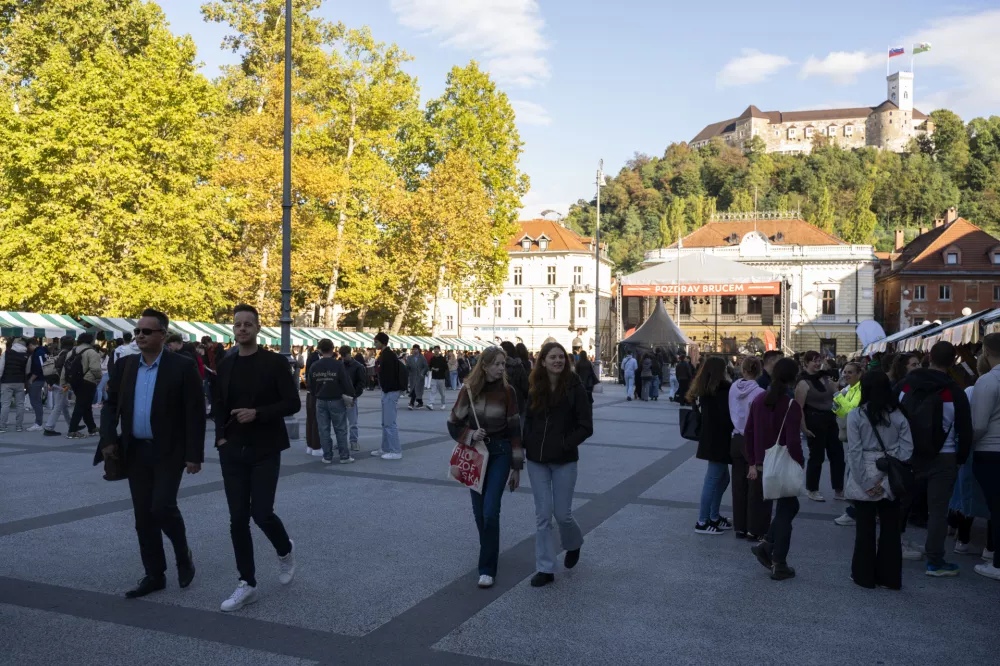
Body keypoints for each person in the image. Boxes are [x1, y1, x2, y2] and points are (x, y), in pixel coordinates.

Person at [97, 308, 204, 599]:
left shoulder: (182, 366)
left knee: (162, 507)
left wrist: (194, 455)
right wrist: (108, 439)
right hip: (135, 451)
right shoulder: (126, 365)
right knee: (143, 516)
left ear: (163, 335)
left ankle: (183, 555)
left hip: (169, 451)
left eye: (146, 331)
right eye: (137, 331)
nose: (140, 336)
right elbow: (110, 405)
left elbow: (194, 413)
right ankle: (154, 575)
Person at [213, 304, 300, 611]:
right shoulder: (226, 363)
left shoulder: (274, 362)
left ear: (258, 328)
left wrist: (258, 413)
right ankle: (246, 583)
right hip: (232, 449)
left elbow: (292, 403)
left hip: (265, 447)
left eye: (248, 324)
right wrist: (220, 438)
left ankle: (285, 549)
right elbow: (218, 404)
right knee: (237, 518)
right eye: (237, 324)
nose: (242, 328)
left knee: (261, 513)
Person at [446, 346, 523, 589]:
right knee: (479, 512)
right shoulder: (469, 390)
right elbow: (453, 423)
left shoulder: (508, 392)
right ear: (485, 366)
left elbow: (515, 430)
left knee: (490, 510)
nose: (501, 368)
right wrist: (470, 434)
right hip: (476, 455)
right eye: (497, 364)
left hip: (500, 453)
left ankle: (487, 568)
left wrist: (517, 467)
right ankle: (488, 547)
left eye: (503, 364)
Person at [896, 341, 973, 576]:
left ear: (928, 356)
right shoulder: (955, 391)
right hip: (944, 456)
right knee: (937, 512)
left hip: (908, 454)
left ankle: (892, 545)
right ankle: (935, 561)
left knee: (900, 502)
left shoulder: (906, 384)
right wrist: (960, 458)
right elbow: (965, 429)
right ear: (953, 362)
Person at [523, 341, 592, 587]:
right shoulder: (535, 386)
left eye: (561, 357)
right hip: (537, 460)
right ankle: (545, 568)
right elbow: (528, 419)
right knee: (543, 515)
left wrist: (565, 443)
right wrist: (527, 442)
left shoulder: (575, 387)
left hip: (564, 460)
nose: (558, 361)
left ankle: (573, 543)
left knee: (562, 514)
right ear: (542, 361)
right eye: (552, 357)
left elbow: (586, 426)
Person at [845, 371, 913, 589]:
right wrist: (886, 478)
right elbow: (907, 449)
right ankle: (889, 577)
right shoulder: (898, 414)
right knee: (891, 528)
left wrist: (866, 483)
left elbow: (854, 452)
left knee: (864, 528)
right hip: (891, 470)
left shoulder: (856, 415)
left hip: (864, 467)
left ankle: (863, 576)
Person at [744, 358, 804, 581]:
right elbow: (793, 441)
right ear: (793, 378)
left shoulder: (759, 399)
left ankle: (767, 545)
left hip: (763, 463)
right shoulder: (790, 405)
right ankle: (779, 562)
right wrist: (800, 463)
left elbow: (748, 432)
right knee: (786, 511)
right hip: (783, 463)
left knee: (788, 508)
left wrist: (753, 461)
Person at [688, 356, 734, 534]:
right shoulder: (722, 389)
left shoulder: (704, 388)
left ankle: (713, 516)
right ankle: (702, 521)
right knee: (713, 480)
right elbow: (727, 417)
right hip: (718, 440)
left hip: (710, 439)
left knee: (722, 479)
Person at [795, 350, 844, 502]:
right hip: (814, 421)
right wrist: (803, 428)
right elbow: (799, 408)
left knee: (837, 455)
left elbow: (836, 394)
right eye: (814, 361)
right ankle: (812, 489)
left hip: (831, 420)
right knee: (817, 457)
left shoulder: (826, 377)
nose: (817, 364)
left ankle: (839, 489)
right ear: (806, 363)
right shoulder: (803, 383)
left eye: (819, 360)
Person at [971, 333, 1000, 580]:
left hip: (991, 450)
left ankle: (997, 562)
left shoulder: (988, 381)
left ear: (987, 352)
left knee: (996, 507)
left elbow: (978, 424)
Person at [729, 357, 765, 539]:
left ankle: (739, 527)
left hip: (736, 437)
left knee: (738, 485)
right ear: (759, 371)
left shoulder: (733, 388)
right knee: (755, 486)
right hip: (752, 439)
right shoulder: (760, 393)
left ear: (742, 370)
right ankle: (753, 528)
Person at [307, 339, 356, 464]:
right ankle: (344, 456)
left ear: (320, 350)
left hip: (320, 400)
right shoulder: (338, 365)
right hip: (336, 400)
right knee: (340, 429)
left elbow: (310, 385)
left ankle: (327, 456)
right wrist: (351, 395)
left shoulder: (315, 365)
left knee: (323, 430)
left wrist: (317, 393)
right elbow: (346, 382)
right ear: (332, 349)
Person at [832, 361, 864, 526]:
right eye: (845, 371)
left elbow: (852, 410)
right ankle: (856, 510)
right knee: (852, 471)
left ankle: (853, 512)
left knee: (854, 472)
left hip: (858, 438)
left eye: (850, 372)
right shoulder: (848, 389)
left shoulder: (860, 389)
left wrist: (838, 397)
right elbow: (841, 411)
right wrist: (837, 404)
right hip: (849, 435)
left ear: (859, 374)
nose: (846, 375)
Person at [64, 333, 103, 439]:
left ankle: (92, 427)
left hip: (75, 381)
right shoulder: (92, 352)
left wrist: (64, 381)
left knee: (85, 405)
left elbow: (65, 368)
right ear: (91, 341)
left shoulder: (71, 352)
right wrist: (99, 378)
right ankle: (72, 430)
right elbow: (95, 368)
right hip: (88, 381)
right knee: (81, 405)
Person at [373, 332, 404, 460]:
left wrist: (386, 388)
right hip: (388, 391)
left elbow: (388, 375)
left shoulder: (388, 356)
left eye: (376, 342)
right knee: (385, 422)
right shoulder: (386, 354)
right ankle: (385, 448)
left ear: (382, 342)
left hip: (390, 391)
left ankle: (396, 451)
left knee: (389, 423)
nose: (374, 344)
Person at [43, 337, 75, 436]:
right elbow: (63, 368)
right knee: (58, 406)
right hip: (61, 383)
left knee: (64, 405)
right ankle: (49, 427)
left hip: (56, 381)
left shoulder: (59, 352)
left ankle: (72, 425)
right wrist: (66, 381)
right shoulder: (67, 354)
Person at [0, 337, 30, 432]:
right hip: (20, 382)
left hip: (6, 382)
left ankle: (2, 426)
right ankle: (19, 426)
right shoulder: (26, 355)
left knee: (5, 404)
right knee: (20, 404)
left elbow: (1, 367)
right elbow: (27, 371)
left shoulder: (7, 353)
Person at [340, 345, 366, 452]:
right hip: (340, 396)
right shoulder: (340, 364)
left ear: (349, 354)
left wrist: (354, 395)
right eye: (341, 356)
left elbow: (361, 383)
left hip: (351, 396)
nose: (342, 358)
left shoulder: (358, 366)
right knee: (340, 422)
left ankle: (353, 441)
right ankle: (341, 441)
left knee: (353, 422)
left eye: (344, 356)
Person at [23, 338, 46, 431]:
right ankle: (38, 422)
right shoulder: (43, 351)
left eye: (29, 347)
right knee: (37, 401)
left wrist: (31, 379)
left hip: (37, 379)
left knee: (35, 401)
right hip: (40, 379)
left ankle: (38, 423)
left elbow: (40, 366)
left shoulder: (38, 352)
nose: (28, 349)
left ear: (31, 345)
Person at [500, 341, 529, 415]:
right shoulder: (519, 366)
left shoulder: (498, 365)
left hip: (500, 402)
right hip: (518, 402)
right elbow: (525, 386)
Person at [406, 345, 428, 410]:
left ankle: (411, 403)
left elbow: (426, 366)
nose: (415, 350)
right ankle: (420, 402)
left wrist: (422, 373)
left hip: (420, 376)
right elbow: (407, 366)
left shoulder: (422, 357)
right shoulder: (409, 357)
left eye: (416, 349)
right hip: (412, 376)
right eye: (414, 349)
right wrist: (408, 367)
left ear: (418, 350)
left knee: (416, 389)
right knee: (415, 389)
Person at [427, 346, 449, 410]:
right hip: (434, 377)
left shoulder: (442, 358)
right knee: (433, 391)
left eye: (437, 349)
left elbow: (446, 367)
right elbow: (430, 366)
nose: (436, 350)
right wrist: (432, 368)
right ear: (433, 350)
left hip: (441, 378)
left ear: (439, 350)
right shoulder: (432, 358)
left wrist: (439, 369)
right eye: (435, 349)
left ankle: (443, 403)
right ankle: (431, 404)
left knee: (442, 392)